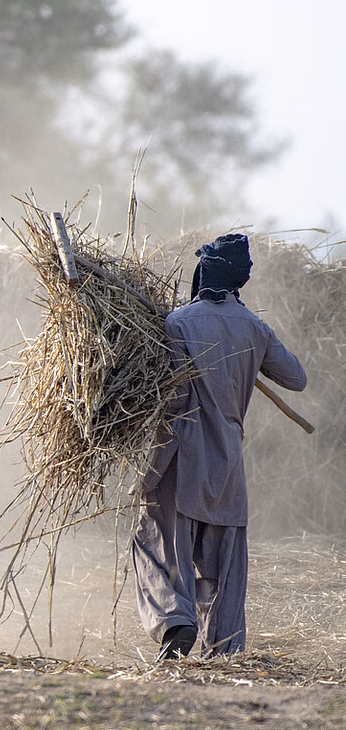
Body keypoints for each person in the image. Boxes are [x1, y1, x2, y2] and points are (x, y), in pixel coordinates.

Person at [133, 233, 306, 660]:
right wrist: (252, 346)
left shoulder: (178, 323)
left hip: (183, 453)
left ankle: (176, 622)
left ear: (203, 272)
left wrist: (150, 469)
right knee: (225, 562)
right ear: (240, 280)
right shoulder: (255, 327)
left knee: (157, 539)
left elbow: (174, 400)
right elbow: (297, 378)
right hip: (229, 457)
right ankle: (225, 647)